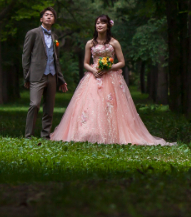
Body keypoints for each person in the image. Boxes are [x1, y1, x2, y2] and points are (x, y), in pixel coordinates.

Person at [50, 14, 173, 145]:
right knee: (91, 104)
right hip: (94, 76)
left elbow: (122, 62)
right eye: (97, 23)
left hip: (111, 77)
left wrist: (109, 67)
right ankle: (88, 132)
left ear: (108, 25)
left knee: (110, 105)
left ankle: (111, 133)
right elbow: (86, 63)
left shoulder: (114, 42)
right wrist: (93, 70)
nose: (99, 25)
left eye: (102, 23)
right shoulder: (90, 43)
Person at [23, 7, 69, 139]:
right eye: (46, 15)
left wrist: (60, 79)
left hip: (52, 76)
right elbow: (26, 56)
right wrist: (27, 76)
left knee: (49, 108)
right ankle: (28, 135)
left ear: (54, 20)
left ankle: (45, 135)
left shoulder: (54, 36)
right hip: (37, 75)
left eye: (51, 15)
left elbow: (56, 59)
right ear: (41, 18)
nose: (49, 17)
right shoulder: (33, 33)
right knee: (34, 104)